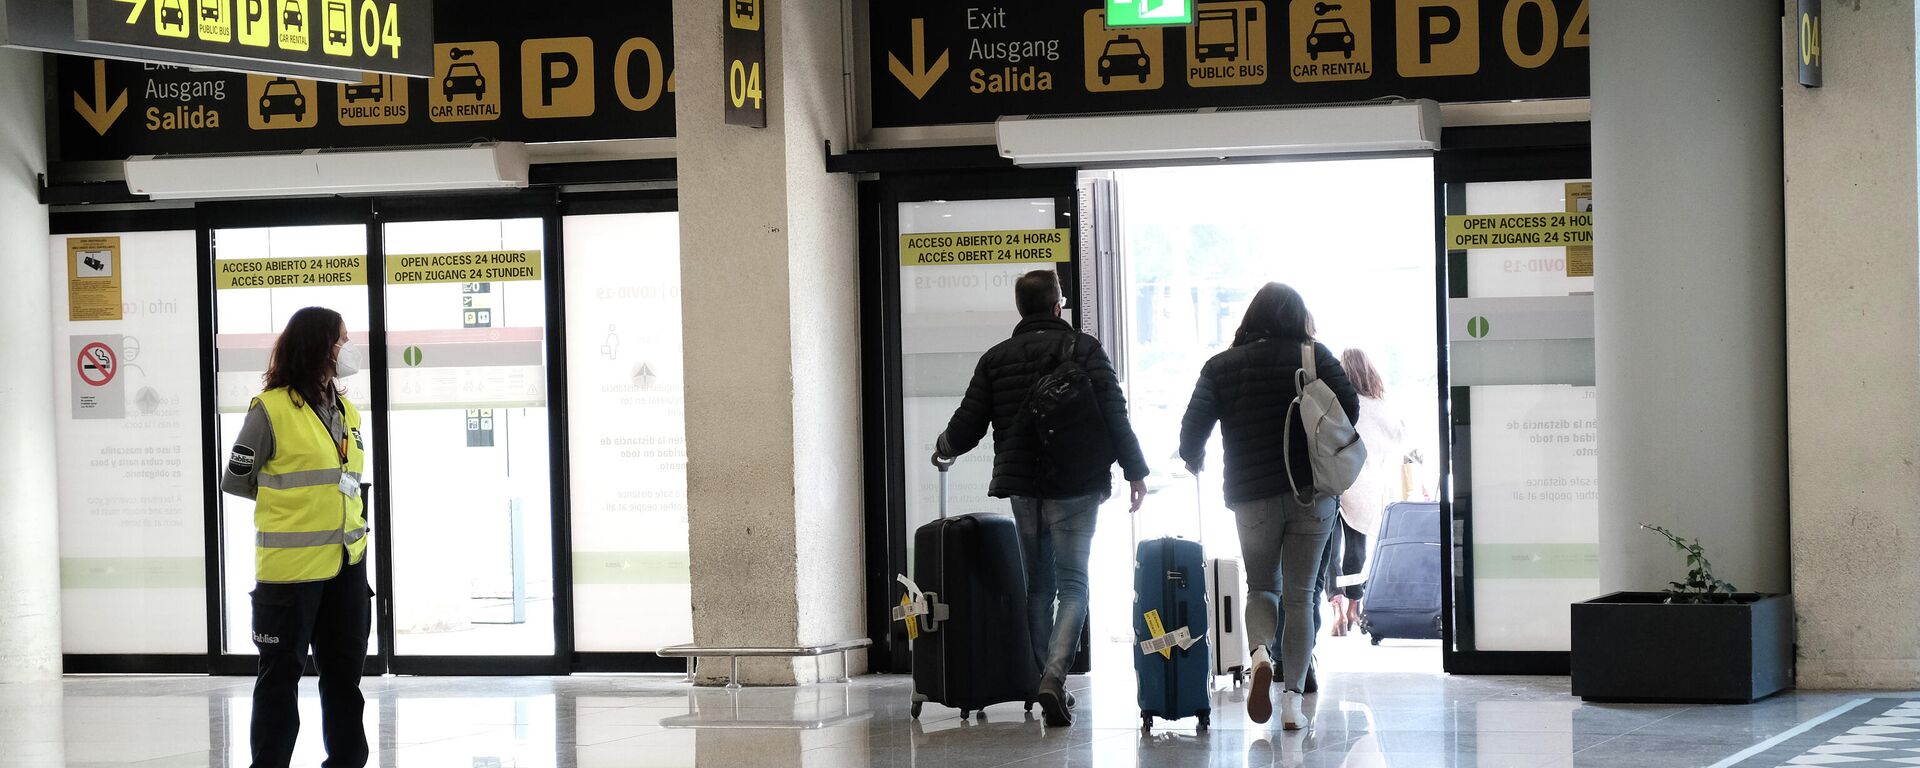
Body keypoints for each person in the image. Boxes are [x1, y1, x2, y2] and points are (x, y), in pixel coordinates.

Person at [933, 269, 1151, 728]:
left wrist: (945, 446)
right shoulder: (1085, 350)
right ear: (1058, 306)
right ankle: (1053, 677)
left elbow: (968, 422)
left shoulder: (996, 358)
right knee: (1074, 584)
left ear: (1020, 309)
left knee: (1040, 587)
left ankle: (1046, 681)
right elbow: (1115, 412)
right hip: (1076, 484)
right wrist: (1135, 471)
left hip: (1024, 488)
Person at [1178, 283, 1358, 730]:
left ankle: (1259, 652)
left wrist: (1194, 455)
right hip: (1311, 493)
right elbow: (1349, 410)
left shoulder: (1221, 367)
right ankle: (1293, 703)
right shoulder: (1312, 356)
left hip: (1251, 494)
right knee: (1300, 597)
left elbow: (1191, 431)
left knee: (1261, 586)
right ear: (1297, 317)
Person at [221, 307, 371, 768]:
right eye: (342, 340)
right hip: (291, 573)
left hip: (346, 564)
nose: (348, 349)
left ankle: (346, 762)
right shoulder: (270, 409)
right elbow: (237, 478)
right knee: (280, 677)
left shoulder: (345, 409)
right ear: (319, 345)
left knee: (344, 676)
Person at [1326, 348, 1407, 636]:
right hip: (1365, 487)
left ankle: (1336, 612)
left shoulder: (1336, 403)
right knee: (1357, 550)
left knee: (1331, 552)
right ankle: (1353, 607)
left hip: (1333, 483)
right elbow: (1400, 439)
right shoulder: (1379, 406)